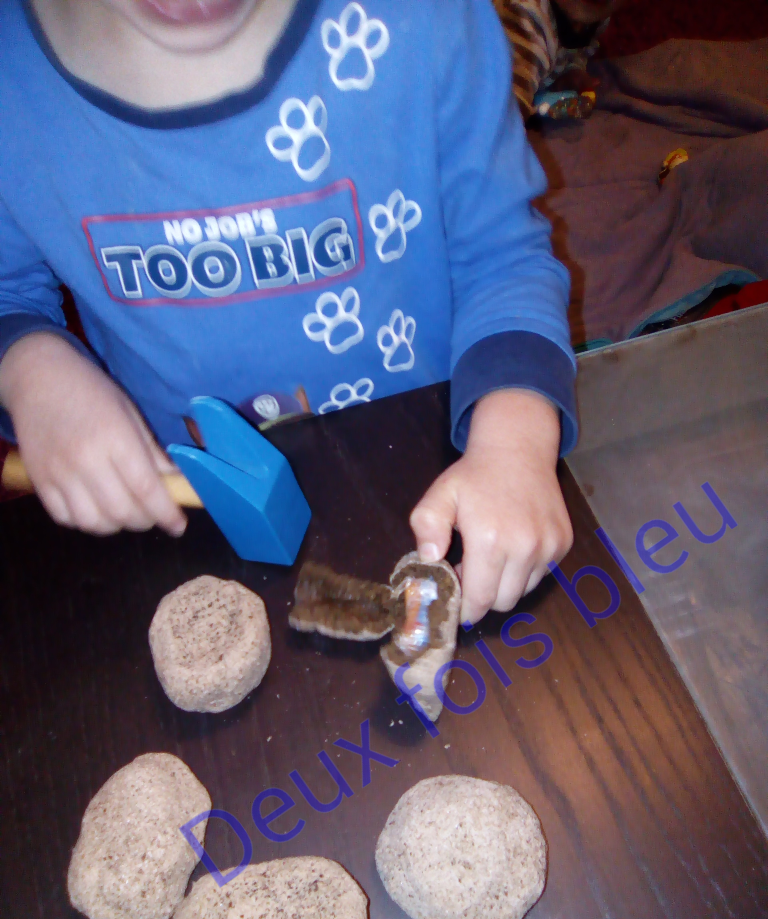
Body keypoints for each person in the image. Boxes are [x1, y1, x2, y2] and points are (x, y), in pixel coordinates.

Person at [0, 0, 577, 625]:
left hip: (437, 476)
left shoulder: (426, 19)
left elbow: (501, 255)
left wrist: (515, 441)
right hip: (182, 521)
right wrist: (32, 371)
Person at [493, 0, 626, 120]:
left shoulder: (596, 16)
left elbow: (577, 51)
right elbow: (502, 117)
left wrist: (571, 69)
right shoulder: (524, 16)